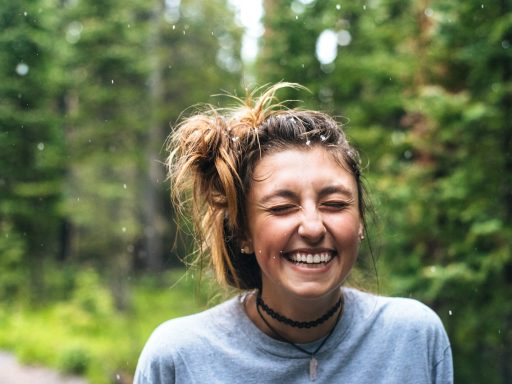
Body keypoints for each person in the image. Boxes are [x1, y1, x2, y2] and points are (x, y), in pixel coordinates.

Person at [134, 83, 453, 383]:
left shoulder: (413, 338)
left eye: (334, 204)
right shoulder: (180, 358)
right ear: (244, 232)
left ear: (360, 224)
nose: (313, 227)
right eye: (282, 207)